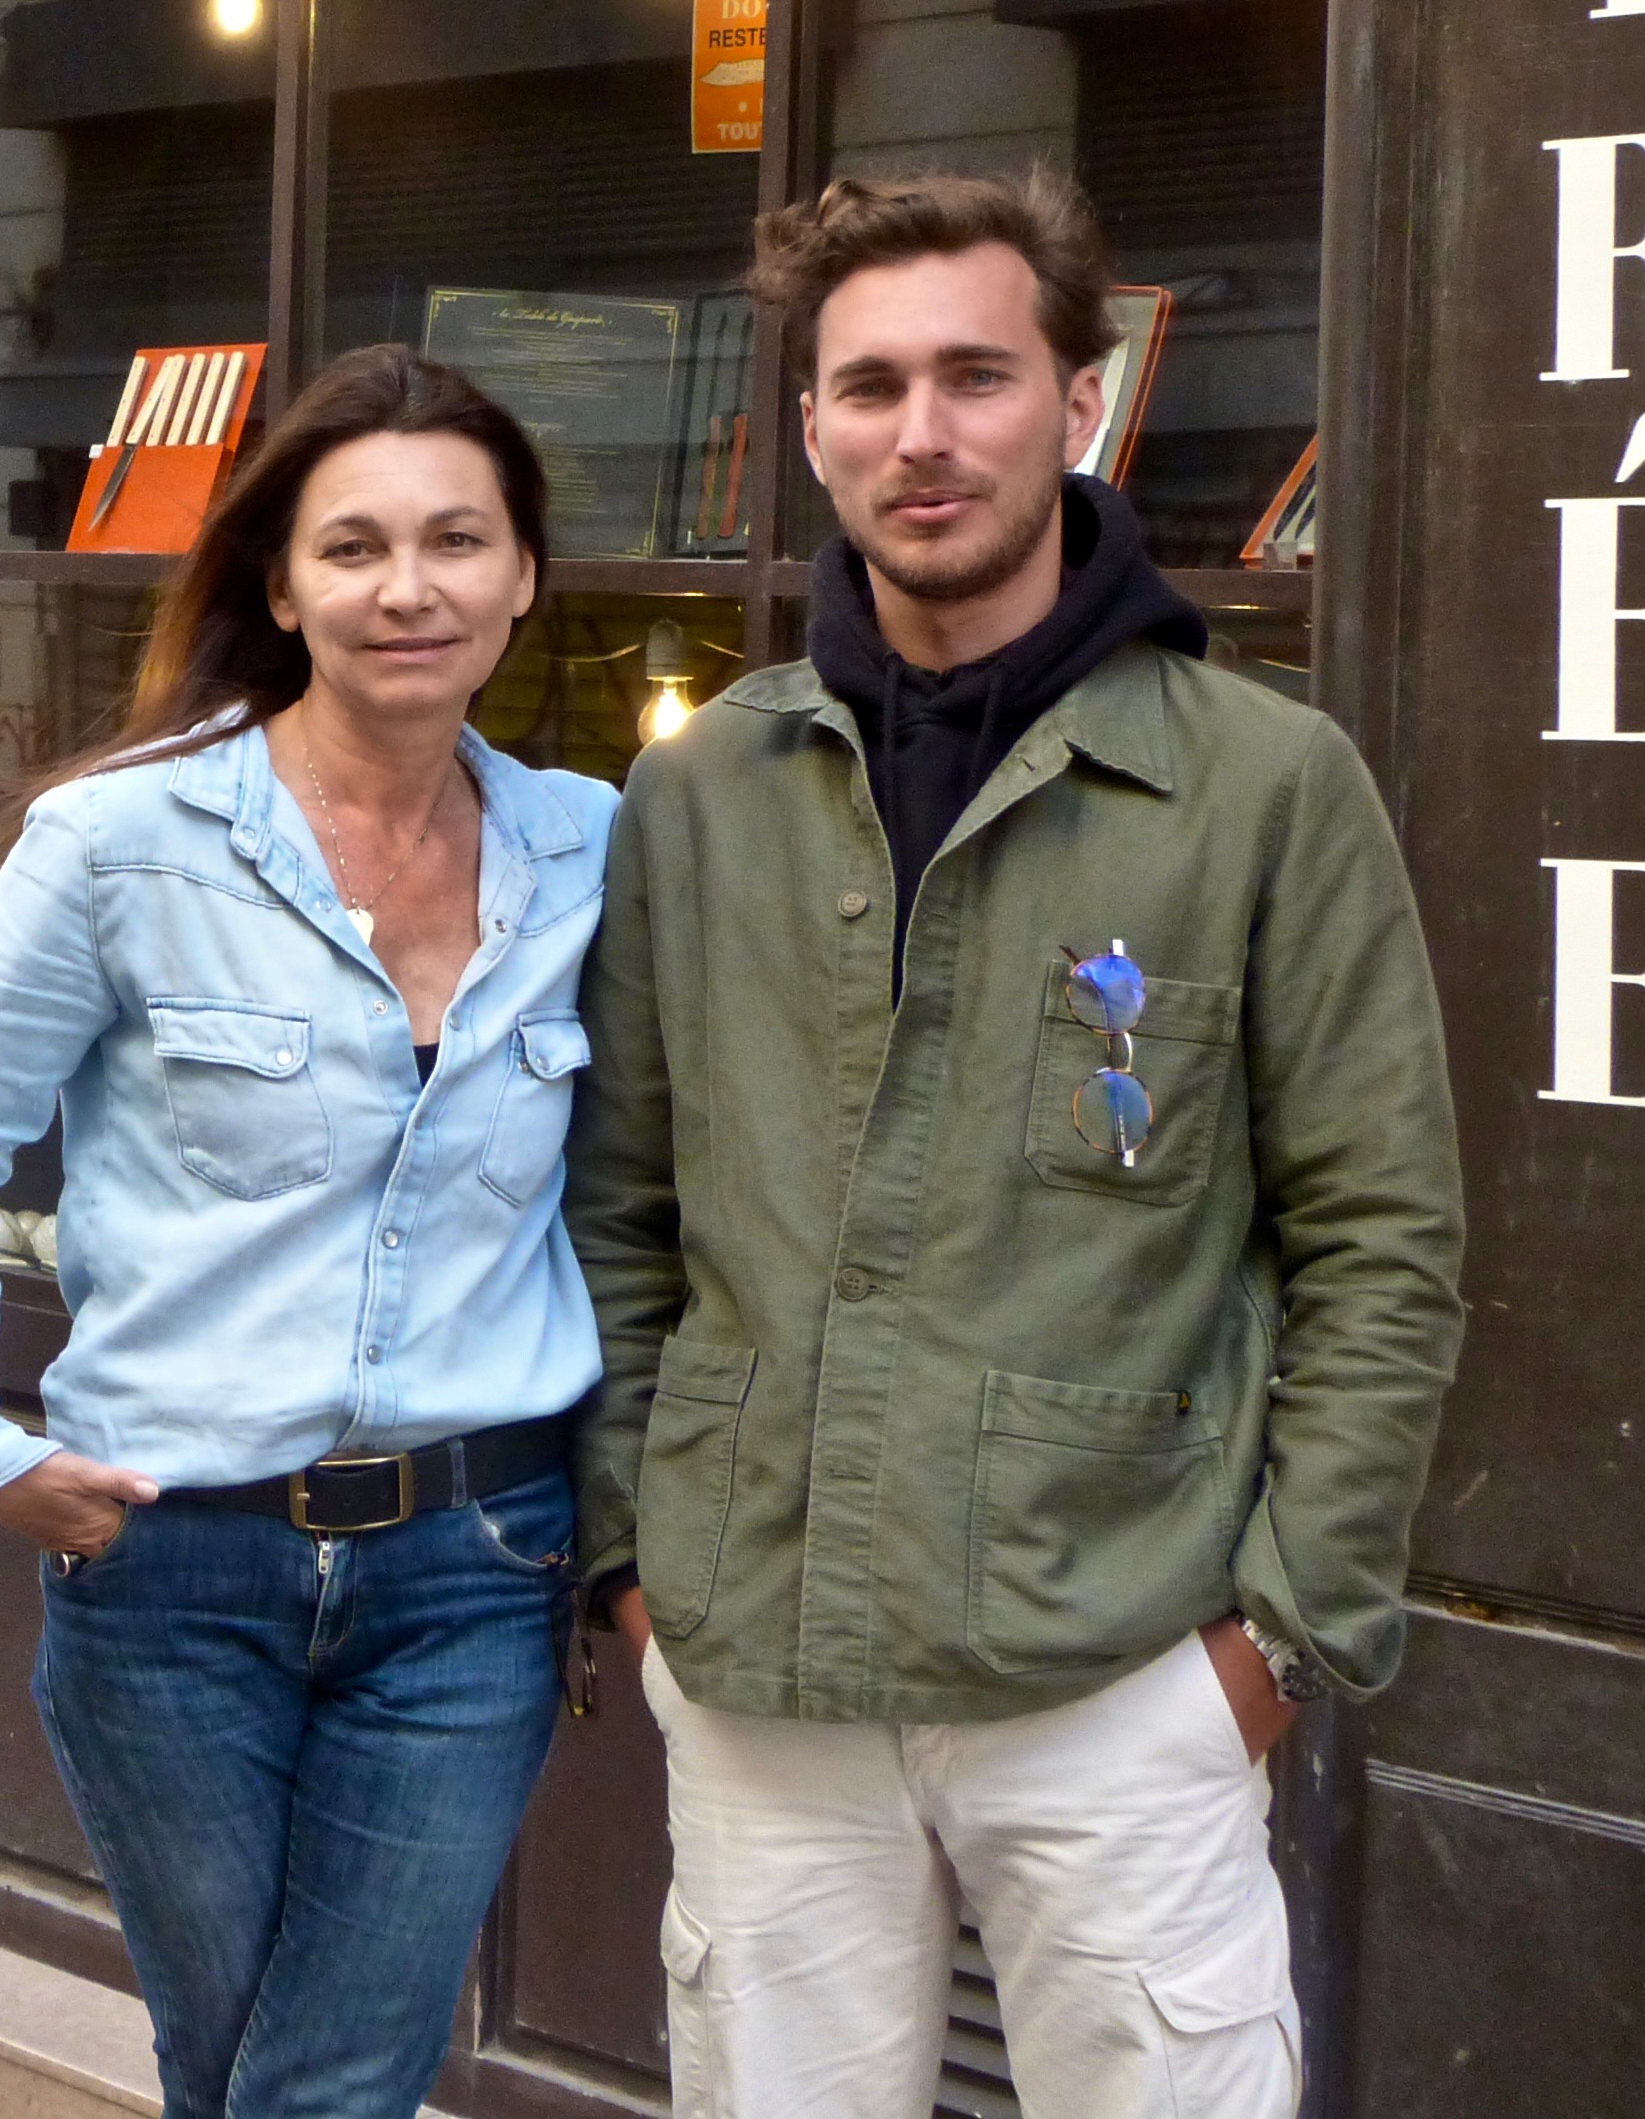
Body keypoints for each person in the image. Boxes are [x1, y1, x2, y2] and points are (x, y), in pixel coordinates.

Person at [566, 173, 1463, 2119]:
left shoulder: (1262, 789)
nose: (921, 432)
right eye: (867, 385)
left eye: (975, 374)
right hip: (762, 1668)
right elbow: (616, 1208)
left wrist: (1274, 1639)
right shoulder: (707, 790)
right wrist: (632, 1562)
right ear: (803, 427)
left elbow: (1380, 1243)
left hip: (1121, 1668)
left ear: (1079, 398)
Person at [0, 344, 617, 2119]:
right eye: (353, 547)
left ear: (522, 577)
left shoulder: (596, 851)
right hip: (171, 1564)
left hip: (474, 1570)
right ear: (280, 583)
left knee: (324, 2078)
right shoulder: (121, 842)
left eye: (457, 541)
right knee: (243, 2070)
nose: (407, 589)